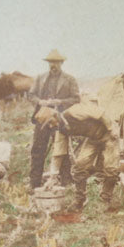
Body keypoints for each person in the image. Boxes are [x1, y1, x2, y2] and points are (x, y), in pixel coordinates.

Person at [33, 102, 119, 212]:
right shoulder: (61, 130)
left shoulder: (73, 112)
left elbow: (100, 113)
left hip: (108, 133)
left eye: (50, 122)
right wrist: (52, 177)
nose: (51, 126)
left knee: (111, 169)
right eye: (48, 125)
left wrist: (111, 128)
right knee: (79, 167)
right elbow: (58, 153)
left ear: (55, 115)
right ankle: (80, 200)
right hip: (93, 139)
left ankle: (106, 199)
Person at [28, 50, 80, 190]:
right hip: (43, 118)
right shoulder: (40, 78)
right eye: (51, 62)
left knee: (61, 150)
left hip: (60, 119)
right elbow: (31, 95)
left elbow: (76, 99)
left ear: (61, 63)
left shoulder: (69, 79)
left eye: (56, 62)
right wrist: (40, 102)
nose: (53, 65)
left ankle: (66, 182)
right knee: (38, 149)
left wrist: (60, 101)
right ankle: (34, 183)